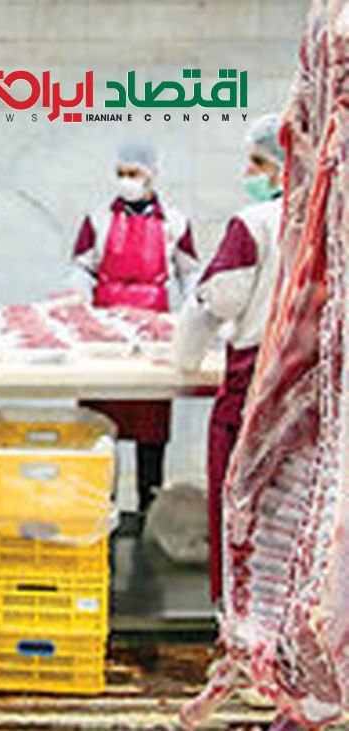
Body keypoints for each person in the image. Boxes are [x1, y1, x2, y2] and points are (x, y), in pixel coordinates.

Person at [175, 113, 284, 603]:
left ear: (285, 164)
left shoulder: (256, 222)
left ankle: (236, 616)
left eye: (258, 162)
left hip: (254, 385)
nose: (249, 173)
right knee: (297, 512)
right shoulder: (332, 218)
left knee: (240, 504)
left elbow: (215, 302)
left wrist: (185, 358)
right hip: (316, 387)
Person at [70, 140, 200, 523]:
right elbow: (82, 267)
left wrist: (199, 310)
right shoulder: (97, 218)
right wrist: (76, 299)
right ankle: (100, 514)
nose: (126, 180)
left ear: (152, 174)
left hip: (153, 331)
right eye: (121, 173)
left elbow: (190, 272)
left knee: (151, 426)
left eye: (134, 173)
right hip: (105, 332)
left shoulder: (175, 221)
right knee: (101, 428)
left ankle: (148, 511)